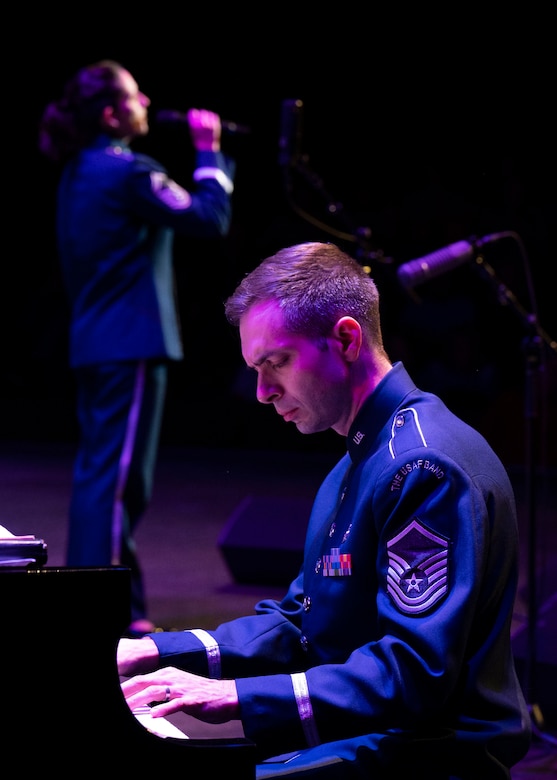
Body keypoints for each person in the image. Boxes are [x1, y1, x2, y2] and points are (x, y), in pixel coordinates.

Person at [117, 242, 531, 778]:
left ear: (345, 338)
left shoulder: (421, 466)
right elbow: (301, 622)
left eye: (277, 362)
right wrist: (153, 652)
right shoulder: (364, 456)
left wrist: (236, 696)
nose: (263, 392)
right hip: (376, 736)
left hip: (435, 754)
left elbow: (415, 673)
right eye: (256, 369)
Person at [38, 59, 235, 636]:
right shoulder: (129, 173)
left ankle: (112, 599)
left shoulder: (80, 170)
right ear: (111, 113)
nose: (146, 100)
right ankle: (111, 610)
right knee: (119, 480)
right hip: (129, 343)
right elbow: (209, 217)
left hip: (96, 342)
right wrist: (209, 153)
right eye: (133, 95)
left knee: (100, 476)